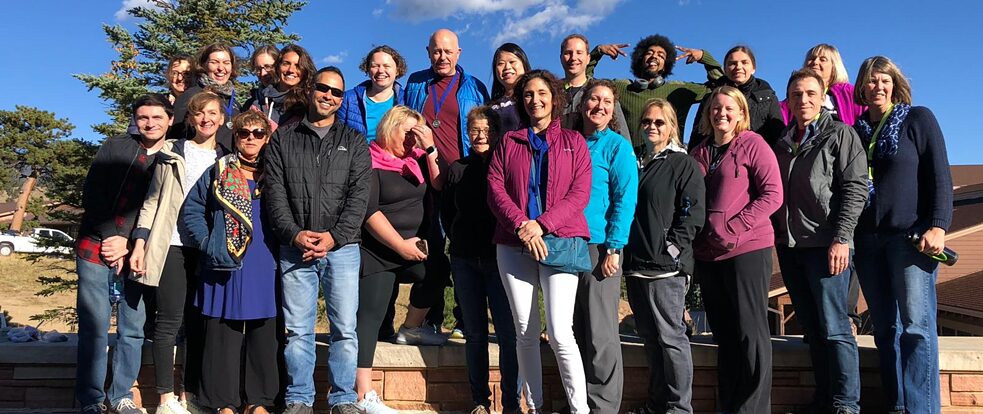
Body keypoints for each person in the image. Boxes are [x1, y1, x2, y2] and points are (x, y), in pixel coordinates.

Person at [263, 66, 372, 414]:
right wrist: (294, 234)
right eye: (323, 88)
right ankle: (299, 398)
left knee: (345, 329)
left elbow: (359, 197)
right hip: (295, 248)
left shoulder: (354, 141)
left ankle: (342, 398)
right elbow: (274, 194)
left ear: (342, 100)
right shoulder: (284, 138)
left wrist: (334, 237)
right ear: (311, 91)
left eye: (337, 92)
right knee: (298, 331)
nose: (329, 96)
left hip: (343, 249)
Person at [852, 56, 952, 414]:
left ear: (894, 84)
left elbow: (940, 175)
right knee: (884, 331)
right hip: (867, 242)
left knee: (916, 329)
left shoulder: (917, 118)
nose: (877, 86)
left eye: (884, 80)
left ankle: (922, 409)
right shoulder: (856, 130)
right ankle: (898, 405)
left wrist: (938, 225)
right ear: (861, 89)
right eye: (870, 81)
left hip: (909, 239)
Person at [487, 70, 592, 414]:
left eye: (542, 93)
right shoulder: (509, 141)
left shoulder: (574, 142)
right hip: (513, 243)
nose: (535, 100)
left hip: (560, 241)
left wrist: (541, 226)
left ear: (554, 97)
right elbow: (495, 189)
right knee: (525, 332)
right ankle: (535, 406)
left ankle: (580, 410)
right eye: (528, 94)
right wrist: (521, 225)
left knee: (561, 333)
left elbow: (579, 194)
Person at [774, 69, 867, 414]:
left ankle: (846, 404)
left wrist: (842, 238)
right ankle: (825, 399)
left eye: (811, 94)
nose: (804, 100)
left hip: (828, 246)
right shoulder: (783, 141)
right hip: (791, 246)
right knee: (812, 328)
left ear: (823, 95)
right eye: (797, 94)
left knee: (835, 327)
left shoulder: (839, 134)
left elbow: (856, 189)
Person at [128, 92, 229, 414]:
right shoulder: (173, 152)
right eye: (199, 113)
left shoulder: (227, 159)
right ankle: (165, 398)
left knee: (198, 323)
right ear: (190, 118)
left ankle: (189, 393)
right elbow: (152, 201)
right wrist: (140, 242)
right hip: (172, 243)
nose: (206, 118)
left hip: (207, 248)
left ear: (222, 119)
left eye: (212, 113)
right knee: (169, 321)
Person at [75, 95, 172, 414]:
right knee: (94, 324)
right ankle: (90, 398)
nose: (150, 123)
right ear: (135, 120)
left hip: (139, 252)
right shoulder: (115, 146)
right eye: (143, 117)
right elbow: (94, 193)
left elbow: (160, 208)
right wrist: (111, 237)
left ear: (169, 120)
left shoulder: (173, 158)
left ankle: (121, 395)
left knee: (133, 326)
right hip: (95, 245)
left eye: (157, 117)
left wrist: (130, 242)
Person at [690, 86, 782, 413]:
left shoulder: (753, 145)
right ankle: (729, 404)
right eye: (716, 108)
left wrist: (734, 226)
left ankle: (754, 408)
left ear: (742, 113)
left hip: (747, 249)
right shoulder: (699, 153)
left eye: (730, 108)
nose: (722, 113)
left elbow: (772, 194)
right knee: (725, 335)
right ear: (708, 114)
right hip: (709, 255)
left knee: (750, 333)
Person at [182, 111, 279, 414]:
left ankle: (259, 400)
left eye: (258, 133)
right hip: (225, 262)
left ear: (267, 137)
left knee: (265, 334)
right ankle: (222, 402)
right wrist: (209, 244)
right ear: (235, 136)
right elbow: (191, 211)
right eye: (244, 132)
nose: (251, 137)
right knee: (222, 334)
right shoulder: (218, 171)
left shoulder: (277, 173)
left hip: (267, 261)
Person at [355, 105, 444, 414]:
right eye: (405, 131)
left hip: (412, 248)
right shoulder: (370, 160)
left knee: (437, 271)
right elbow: (369, 211)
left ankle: (411, 328)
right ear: (387, 129)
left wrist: (428, 146)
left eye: (414, 132)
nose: (410, 138)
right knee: (370, 316)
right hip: (379, 249)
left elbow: (440, 184)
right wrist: (399, 246)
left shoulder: (417, 161)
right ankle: (363, 394)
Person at [624, 98, 705, 414]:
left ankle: (679, 408)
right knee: (651, 339)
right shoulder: (640, 163)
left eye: (659, 122)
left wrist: (672, 249)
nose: (652, 127)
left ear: (672, 126)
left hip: (666, 270)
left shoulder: (682, 163)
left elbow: (693, 213)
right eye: (647, 122)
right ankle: (657, 404)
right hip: (637, 267)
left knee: (672, 339)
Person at [442, 106, 525, 414]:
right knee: (475, 335)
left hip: (500, 259)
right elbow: (447, 212)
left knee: (507, 334)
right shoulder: (457, 169)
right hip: (464, 259)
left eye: (487, 130)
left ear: (497, 132)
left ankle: (511, 404)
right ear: (467, 132)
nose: (480, 136)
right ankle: (479, 401)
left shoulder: (504, 166)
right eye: (474, 130)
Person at [572, 79, 638, 413]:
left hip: (601, 248)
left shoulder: (617, 146)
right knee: (576, 330)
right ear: (582, 104)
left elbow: (625, 199)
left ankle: (604, 407)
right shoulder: (569, 142)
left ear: (613, 110)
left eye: (607, 101)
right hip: (568, 245)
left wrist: (614, 247)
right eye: (594, 99)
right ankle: (580, 402)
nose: (600, 105)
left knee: (600, 334)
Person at [586, 34, 723, 152]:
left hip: (668, 165)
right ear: (640, 59)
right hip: (630, 163)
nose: (654, 57)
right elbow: (586, 82)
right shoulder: (623, 88)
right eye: (649, 53)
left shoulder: (679, 90)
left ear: (666, 64)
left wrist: (704, 57)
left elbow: (720, 86)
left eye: (661, 55)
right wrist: (597, 52)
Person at [403, 28, 490, 164]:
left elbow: (488, 132)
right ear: (428, 52)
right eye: (437, 52)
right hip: (421, 171)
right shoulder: (415, 83)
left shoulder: (476, 87)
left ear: (458, 53)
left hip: (463, 171)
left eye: (448, 52)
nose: (443, 57)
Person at [689, 45, 784, 149]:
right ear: (725, 69)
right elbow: (698, 134)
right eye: (732, 63)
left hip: (757, 158)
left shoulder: (767, 96)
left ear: (753, 68)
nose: (738, 67)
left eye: (744, 62)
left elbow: (778, 134)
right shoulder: (711, 97)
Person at [558, 34, 630, 142]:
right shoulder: (551, 92)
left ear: (588, 58)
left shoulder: (603, 93)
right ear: (561, 58)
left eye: (579, 53)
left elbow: (623, 138)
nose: (573, 58)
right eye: (568, 53)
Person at [171, 42, 240, 148]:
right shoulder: (191, 95)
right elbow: (175, 135)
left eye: (226, 63)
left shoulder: (234, 102)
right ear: (204, 65)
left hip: (226, 162)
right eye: (214, 62)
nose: (221, 68)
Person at [781, 44, 866, 127]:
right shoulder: (793, 97)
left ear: (834, 66)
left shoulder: (849, 93)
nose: (815, 62)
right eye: (811, 58)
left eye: (822, 59)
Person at [338, 45, 408, 141]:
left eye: (386, 66)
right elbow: (336, 134)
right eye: (375, 66)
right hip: (356, 155)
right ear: (367, 69)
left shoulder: (407, 100)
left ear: (397, 70)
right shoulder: (348, 99)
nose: (381, 71)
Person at [243, 44, 316, 131]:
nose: (263, 73)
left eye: (268, 67)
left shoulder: (310, 101)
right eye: (258, 69)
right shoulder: (254, 105)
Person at [488, 42, 530, 133]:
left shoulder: (533, 98)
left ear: (524, 64)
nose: (507, 67)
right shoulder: (490, 106)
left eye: (512, 62)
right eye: (501, 63)